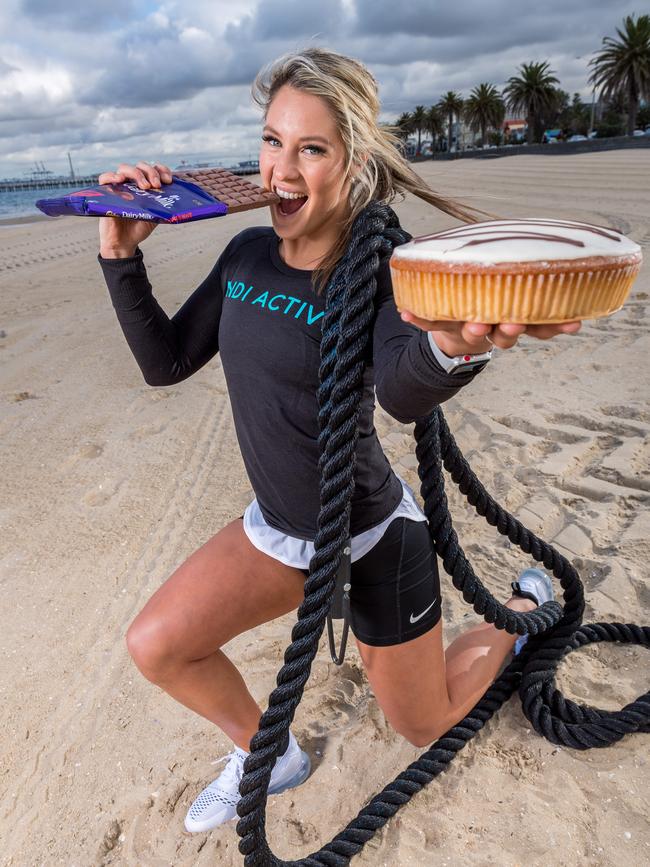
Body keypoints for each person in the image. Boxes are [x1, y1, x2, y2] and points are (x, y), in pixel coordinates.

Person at [96, 46, 582, 834]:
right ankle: (270, 751)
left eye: (311, 148)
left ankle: (517, 615)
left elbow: (399, 387)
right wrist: (119, 256)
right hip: (281, 533)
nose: (282, 169)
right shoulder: (247, 253)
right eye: (271, 140)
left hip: (370, 541)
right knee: (158, 645)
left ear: (352, 162)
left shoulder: (385, 269)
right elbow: (168, 360)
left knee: (425, 724)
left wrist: (458, 344)